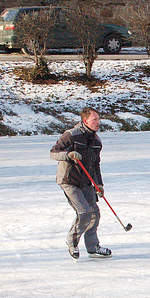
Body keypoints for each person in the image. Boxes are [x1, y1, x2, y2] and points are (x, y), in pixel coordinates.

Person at [50, 107, 112, 260]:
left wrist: (99, 184)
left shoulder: (96, 141)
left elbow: (96, 164)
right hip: (69, 180)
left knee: (95, 214)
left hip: (86, 182)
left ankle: (92, 247)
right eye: (95, 120)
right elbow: (53, 153)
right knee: (84, 213)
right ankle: (72, 241)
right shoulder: (71, 135)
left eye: (98, 119)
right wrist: (68, 155)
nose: (98, 123)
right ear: (85, 121)